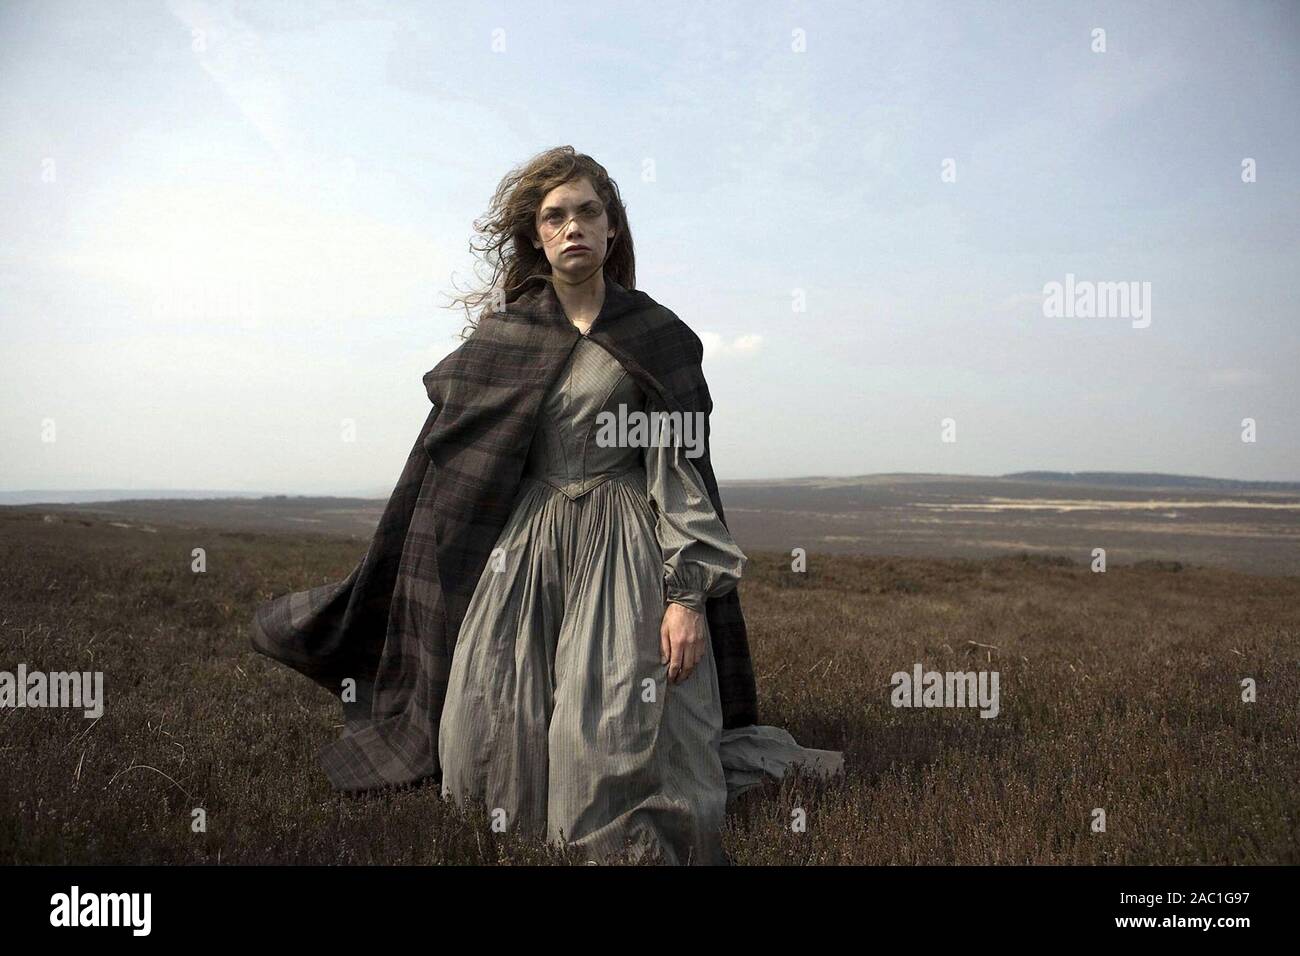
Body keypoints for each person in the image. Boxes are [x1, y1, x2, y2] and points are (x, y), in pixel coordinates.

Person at [250, 146, 842, 865]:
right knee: (485, 730)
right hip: (525, 552)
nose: (573, 228)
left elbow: (677, 472)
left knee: (610, 733)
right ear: (535, 235)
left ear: (612, 229)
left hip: (625, 544)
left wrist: (686, 597)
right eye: (554, 216)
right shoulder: (506, 339)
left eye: (587, 212)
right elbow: (453, 472)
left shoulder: (653, 336)